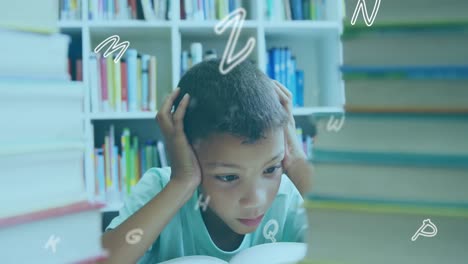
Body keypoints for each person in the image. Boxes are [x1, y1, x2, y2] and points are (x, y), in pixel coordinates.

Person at [101, 59, 313, 264]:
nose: (255, 200)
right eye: (229, 177)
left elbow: (346, 242)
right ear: (186, 152)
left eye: (271, 168)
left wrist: (296, 162)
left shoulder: (287, 197)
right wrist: (182, 182)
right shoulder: (160, 188)